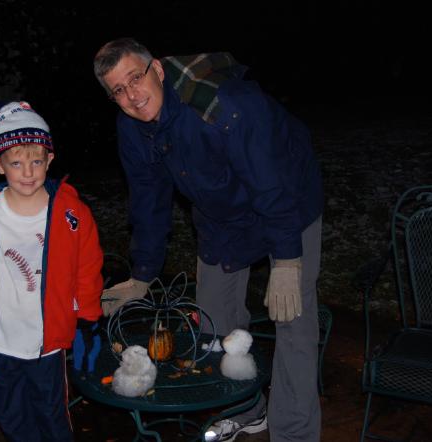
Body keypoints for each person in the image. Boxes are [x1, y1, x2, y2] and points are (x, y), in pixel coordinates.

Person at [94, 39, 324, 442]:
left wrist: (288, 260)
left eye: (135, 78)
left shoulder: (225, 105)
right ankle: (247, 409)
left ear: (157, 70)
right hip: (221, 214)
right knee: (214, 320)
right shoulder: (132, 127)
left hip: (287, 200)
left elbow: (272, 182)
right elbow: (148, 201)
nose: (132, 95)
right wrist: (143, 274)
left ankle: (294, 432)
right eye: (118, 90)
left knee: (293, 319)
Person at [0, 101, 103, 442]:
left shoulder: (71, 215)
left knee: (53, 421)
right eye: (16, 163)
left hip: (47, 344)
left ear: (50, 159)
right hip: (0, 342)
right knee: (12, 420)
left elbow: (87, 270)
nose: (28, 172)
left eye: (36, 161)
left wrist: (87, 321)